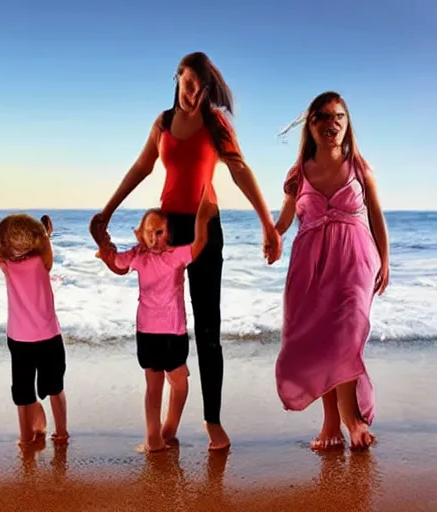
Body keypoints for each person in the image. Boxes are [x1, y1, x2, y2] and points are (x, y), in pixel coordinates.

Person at [89, 52, 281, 450]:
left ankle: (212, 420)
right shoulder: (162, 123)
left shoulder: (216, 124)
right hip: (165, 231)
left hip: (204, 229)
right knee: (164, 317)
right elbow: (141, 168)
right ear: (177, 77)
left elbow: (241, 171)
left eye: (203, 88)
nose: (195, 94)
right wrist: (106, 211)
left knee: (208, 327)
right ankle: (169, 407)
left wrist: (267, 224)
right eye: (190, 84)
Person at [273, 91, 390, 451]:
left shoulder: (359, 166)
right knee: (321, 339)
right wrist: (272, 238)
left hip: (355, 260)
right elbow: (285, 220)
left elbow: (376, 216)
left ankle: (351, 418)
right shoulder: (298, 173)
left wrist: (385, 260)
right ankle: (330, 424)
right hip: (310, 265)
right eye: (324, 116)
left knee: (346, 333)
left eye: (339, 116)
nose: (333, 123)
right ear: (311, 124)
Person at [96, 185, 218, 452]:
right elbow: (118, 265)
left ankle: (169, 428)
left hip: (173, 332)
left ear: (169, 234)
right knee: (154, 386)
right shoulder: (138, 256)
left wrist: (202, 217)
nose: (153, 238)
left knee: (179, 381)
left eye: (159, 232)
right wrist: (104, 250)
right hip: (148, 332)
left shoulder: (176, 256)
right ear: (140, 235)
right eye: (148, 232)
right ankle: (153, 436)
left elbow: (199, 244)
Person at [0, 214, 69, 446]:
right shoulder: (42, 261)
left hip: (19, 338)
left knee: (23, 392)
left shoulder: (7, 265)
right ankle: (61, 433)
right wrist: (46, 234)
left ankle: (26, 437)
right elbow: (45, 246)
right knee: (55, 387)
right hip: (49, 335)